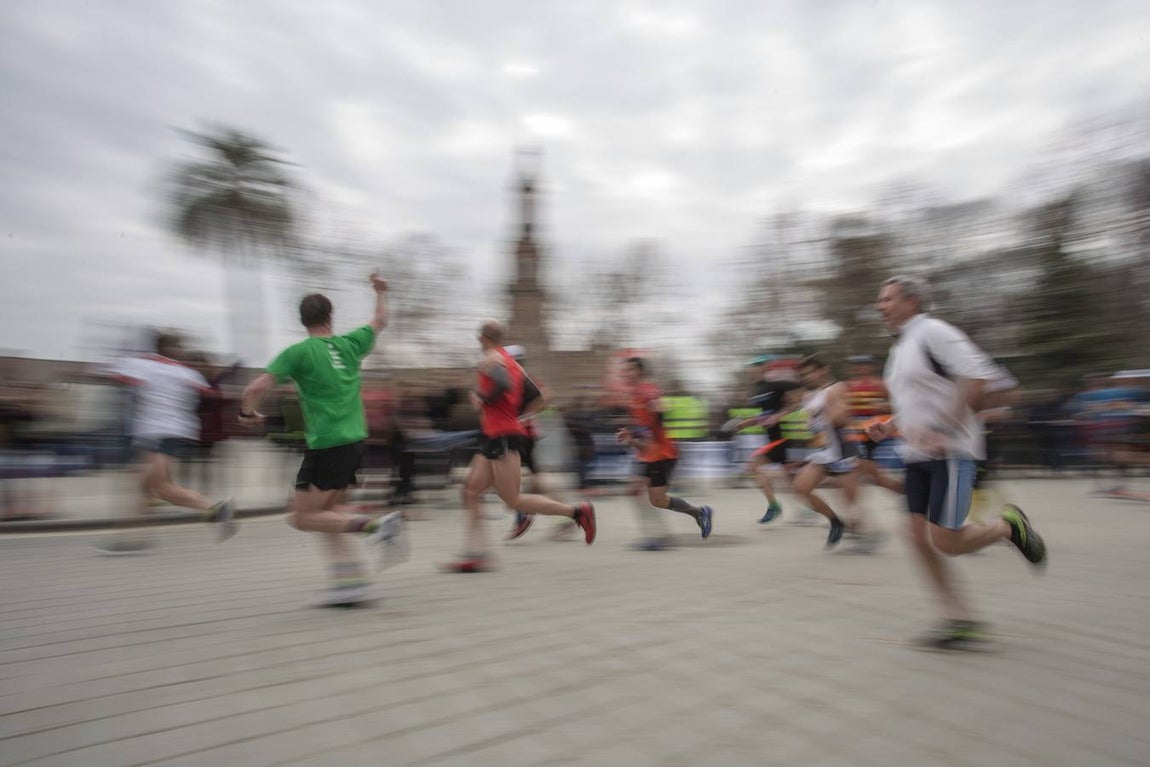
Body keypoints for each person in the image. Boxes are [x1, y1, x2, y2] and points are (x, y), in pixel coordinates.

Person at [868, 275, 1047, 650]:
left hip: (951, 452)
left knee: (946, 541)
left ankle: (1008, 527)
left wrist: (946, 425)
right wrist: (889, 425)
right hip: (916, 456)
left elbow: (979, 377)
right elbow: (916, 400)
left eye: (887, 299)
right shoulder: (899, 349)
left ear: (912, 302)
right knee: (916, 537)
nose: (880, 306)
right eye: (879, 300)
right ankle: (958, 619)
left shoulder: (934, 331)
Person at [239, 273, 405, 605]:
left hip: (329, 445)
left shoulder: (299, 353)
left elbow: (256, 388)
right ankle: (351, 582)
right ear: (331, 317)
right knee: (327, 514)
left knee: (302, 516)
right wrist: (381, 291)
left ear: (303, 321)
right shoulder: (350, 344)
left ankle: (377, 526)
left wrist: (247, 413)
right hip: (356, 441)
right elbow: (380, 320)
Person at [447, 321, 595, 572]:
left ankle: (577, 512)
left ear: (482, 338)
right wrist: (519, 415)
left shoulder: (491, 358)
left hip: (502, 436)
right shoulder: (511, 361)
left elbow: (502, 383)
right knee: (470, 491)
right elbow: (538, 395)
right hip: (494, 433)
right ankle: (477, 554)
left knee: (513, 500)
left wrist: (482, 399)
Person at [100, 332, 237, 555]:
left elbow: (113, 374)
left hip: (156, 435)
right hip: (178, 433)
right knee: (147, 487)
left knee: (160, 488)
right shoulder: (186, 372)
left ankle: (217, 510)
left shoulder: (144, 366)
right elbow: (209, 392)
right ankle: (137, 536)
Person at [617, 356, 713, 551]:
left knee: (655, 498)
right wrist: (631, 435)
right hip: (648, 453)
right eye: (624, 370)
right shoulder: (634, 395)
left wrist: (644, 437)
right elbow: (645, 427)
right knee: (642, 494)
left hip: (662, 454)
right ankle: (693, 517)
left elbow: (658, 416)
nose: (625, 374)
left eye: (630, 370)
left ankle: (663, 535)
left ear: (640, 372)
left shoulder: (648, 391)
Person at [504, 345, 578, 541]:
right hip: (523, 435)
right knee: (533, 482)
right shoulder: (519, 376)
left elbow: (546, 395)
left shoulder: (517, 377)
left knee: (509, 479)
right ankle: (560, 520)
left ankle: (531, 513)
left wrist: (524, 415)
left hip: (519, 437)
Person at [724, 357, 803, 524]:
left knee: (755, 466)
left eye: (755, 370)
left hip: (783, 436)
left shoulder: (776, 385)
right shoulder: (757, 390)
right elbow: (765, 415)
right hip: (772, 438)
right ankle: (805, 510)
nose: (751, 374)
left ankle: (774, 506)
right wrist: (747, 423)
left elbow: (797, 400)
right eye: (750, 371)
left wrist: (780, 415)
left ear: (764, 370)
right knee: (788, 479)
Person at [789, 354, 855, 550]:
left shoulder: (836, 389)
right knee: (800, 489)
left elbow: (843, 415)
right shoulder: (809, 396)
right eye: (804, 374)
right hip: (821, 453)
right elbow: (809, 424)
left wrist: (826, 417)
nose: (807, 377)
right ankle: (835, 521)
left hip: (842, 451)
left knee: (852, 504)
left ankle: (867, 534)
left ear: (823, 370)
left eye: (810, 372)